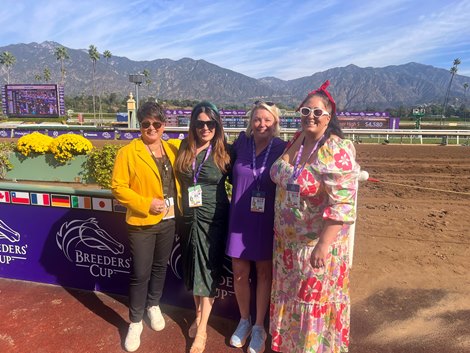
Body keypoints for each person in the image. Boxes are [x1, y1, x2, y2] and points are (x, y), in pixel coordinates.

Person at [269, 80, 360, 353]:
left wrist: (323, 244)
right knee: (293, 303)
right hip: (288, 249)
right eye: (305, 111)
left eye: (317, 112)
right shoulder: (297, 142)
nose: (311, 117)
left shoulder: (336, 149)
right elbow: (278, 170)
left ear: (328, 117)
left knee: (314, 304)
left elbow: (343, 204)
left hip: (315, 249)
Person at [111, 101, 181, 352]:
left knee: (161, 267)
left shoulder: (173, 150)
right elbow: (118, 188)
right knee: (141, 273)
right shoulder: (128, 152)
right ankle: (135, 321)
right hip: (142, 222)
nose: (151, 128)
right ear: (139, 126)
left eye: (156, 124)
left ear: (164, 126)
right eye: (145, 124)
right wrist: (144, 204)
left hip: (169, 220)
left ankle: (153, 305)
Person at [225, 101, 287, 353]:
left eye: (267, 120)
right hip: (239, 218)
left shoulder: (284, 148)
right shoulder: (241, 143)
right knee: (239, 272)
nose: (262, 124)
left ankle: (260, 326)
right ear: (251, 121)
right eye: (257, 119)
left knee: (263, 273)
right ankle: (244, 321)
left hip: (266, 220)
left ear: (276, 123)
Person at [174, 101, 231, 353]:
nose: (205, 128)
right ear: (193, 125)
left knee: (207, 272)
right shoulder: (184, 148)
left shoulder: (225, 151)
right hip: (188, 219)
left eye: (210, 123)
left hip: (214, 219)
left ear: (217, 125)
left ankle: (203, 331)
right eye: (200, 123)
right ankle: (198, 315)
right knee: (194, 269)